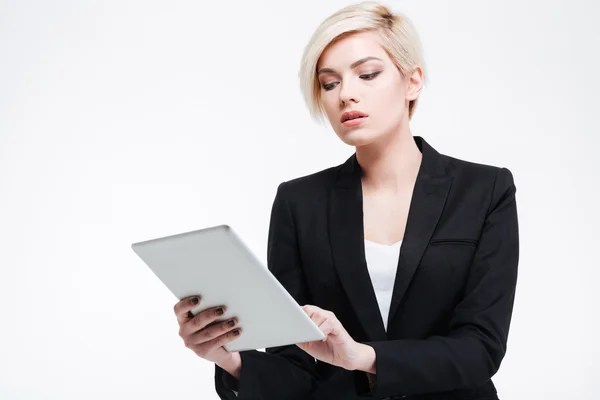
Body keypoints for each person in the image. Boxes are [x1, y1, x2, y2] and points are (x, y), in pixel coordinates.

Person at [173, 1, 519, 399]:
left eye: (368, 74)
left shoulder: (484, 190)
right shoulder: (299, 203)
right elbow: (296, 363)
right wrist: (230, 359)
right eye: (329, 82)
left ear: (413, 81)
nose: (346, 95)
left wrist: (365, 357)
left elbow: (481, 347)